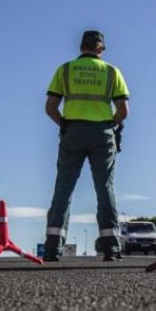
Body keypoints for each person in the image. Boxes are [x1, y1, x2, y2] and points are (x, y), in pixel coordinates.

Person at [43, 30, 130, 262]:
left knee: (63, 188)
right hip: (102, 133)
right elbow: (123, 111)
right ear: (101, 48)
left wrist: (65, 125)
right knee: (105, 188)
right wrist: (110, 125)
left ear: (81, 47)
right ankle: (111, 248)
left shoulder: (66, 69)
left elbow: (50, 106)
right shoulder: (112, 72)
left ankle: (52, 247)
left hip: (72, 132)